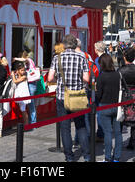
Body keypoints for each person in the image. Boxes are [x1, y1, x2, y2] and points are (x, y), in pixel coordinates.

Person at [48, 34, 90, 162]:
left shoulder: (57, 57)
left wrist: (59, 79)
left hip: (62, 96)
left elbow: (50, 78)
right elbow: (87, 79)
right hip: (78, 96)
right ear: (75, 44)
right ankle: (87, 156)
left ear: (64, 45)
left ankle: (69, 157)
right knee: (81, 126)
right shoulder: (82, 56)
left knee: (65, 127)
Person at [96, 53, 122, 162]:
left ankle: (107, 157)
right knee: (118, 132)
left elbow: (99, 94)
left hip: (104, 106)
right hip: (117, 106)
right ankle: (117, 157)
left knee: (107, 133)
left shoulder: (101, 76)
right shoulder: (118, 74)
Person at [118, 47, 135, 150]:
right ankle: (132, 142)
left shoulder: (120, 70)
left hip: (123, 95)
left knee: (120, 118)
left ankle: (119, 142)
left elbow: (118, 84)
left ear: (125, 57)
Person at [13, 51, 39, 125]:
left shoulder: (29, 60)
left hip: (31, 84)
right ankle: (31, 122)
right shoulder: (28, 63)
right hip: (30, 84)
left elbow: (24, 60)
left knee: (31, 104)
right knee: (29, 105)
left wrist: (15, 58)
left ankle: (33, 123)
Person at [12, 62, 31, 128]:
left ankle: (26, 124)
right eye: (21, 70)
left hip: (23, 94)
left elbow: (15, 81)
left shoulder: (24, 77)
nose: (23, 71)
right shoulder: (19, 76)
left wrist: (13, 75)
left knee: (23, 110)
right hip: (20, 93)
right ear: (18, 70)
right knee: (21, 109)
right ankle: (24, 123)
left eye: (24, 70)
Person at [94, 41, 106, 142]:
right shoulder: (108, 57)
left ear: (96, 50)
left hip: (100, 87)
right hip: (109, 87)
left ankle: (101, 133)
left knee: (99, 112)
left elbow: (96, 74)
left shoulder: (97, 60)